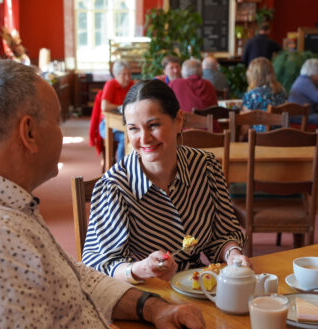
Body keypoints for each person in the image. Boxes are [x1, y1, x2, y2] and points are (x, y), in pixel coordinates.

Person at [0, 59, 205, 329]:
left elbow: (76, 277)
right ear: (29, 132)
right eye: (56, 120)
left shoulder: (3, 207)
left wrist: (153, 309)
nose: (62, 132)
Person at [82, 79, 250, 283]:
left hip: (199, 285)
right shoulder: (115, 186)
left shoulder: (206, 167)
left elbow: (224, 233)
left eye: (153, 126)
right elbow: (98, 264)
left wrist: (232, 254)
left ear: (179, 120)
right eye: (133, 128)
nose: (144, 138)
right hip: (147, 293)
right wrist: (142, 269)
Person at [99, 60, 134, 162]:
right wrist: (120, 106)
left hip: (125, 124)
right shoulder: (111, 84)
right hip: (106, 125)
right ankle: (121, 169)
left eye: (129, 74)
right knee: (126, 138)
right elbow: (104, 107)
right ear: (116, 75)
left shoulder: (131, 84)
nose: (128, 78)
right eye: (124, 74)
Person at [242, 57, 287, 132]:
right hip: (281, 137)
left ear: (253, 76)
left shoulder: (252, 95)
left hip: (259, 140)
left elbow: (246, 125)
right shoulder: (281, 92)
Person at [288, 58, 318, 134]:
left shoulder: (302, 79)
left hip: (298, 114)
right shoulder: (306, 81)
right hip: (299, 116)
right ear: (314, 72)